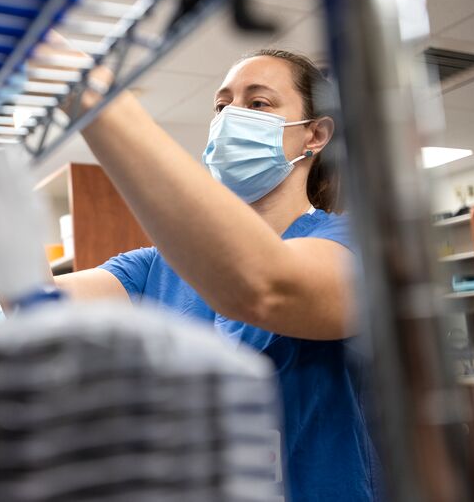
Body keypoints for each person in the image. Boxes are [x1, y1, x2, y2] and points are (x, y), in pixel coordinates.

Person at [52, 49, 382, 501]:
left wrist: (94, 97)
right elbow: (38, 304)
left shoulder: (352, 247)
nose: (230, 117)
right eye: (222, 106)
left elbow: (263, 287)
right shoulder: (158, 265)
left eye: (258, 103)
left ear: (315, 135)